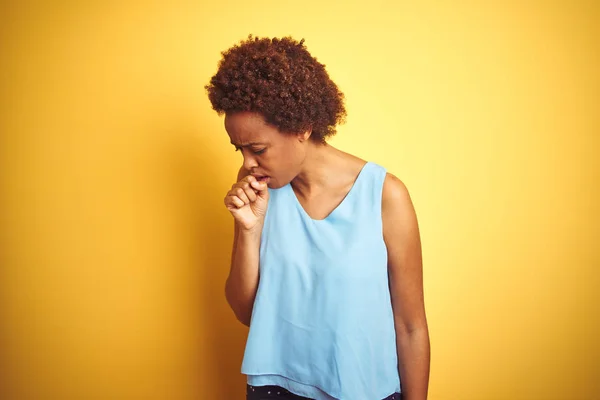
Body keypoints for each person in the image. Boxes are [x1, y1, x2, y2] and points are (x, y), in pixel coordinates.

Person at [205, 35, 430, 400]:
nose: (247, 162)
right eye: (239, 149)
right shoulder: (256, 190)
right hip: (276, 389)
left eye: (258, 149)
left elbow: (410, 326)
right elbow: (246, 312)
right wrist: (249, 228)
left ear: (302, 128)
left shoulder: (385, 195)